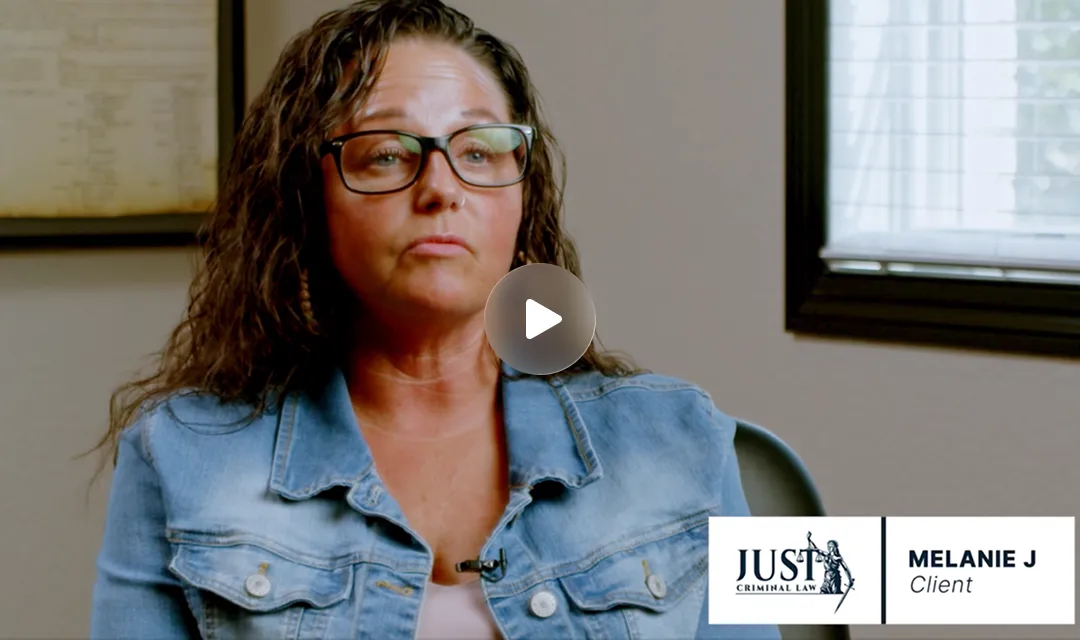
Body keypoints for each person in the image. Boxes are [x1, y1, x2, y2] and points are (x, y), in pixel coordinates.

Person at [89, 1, 779, 638]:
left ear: (522, 194)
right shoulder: (180, 459)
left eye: (478, 150)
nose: (442, 187)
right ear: (307, 197)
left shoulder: (681, 438)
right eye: (387, 154)